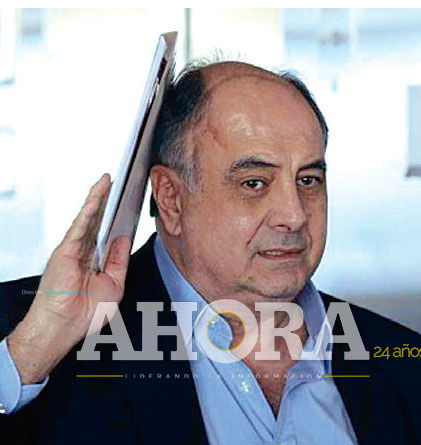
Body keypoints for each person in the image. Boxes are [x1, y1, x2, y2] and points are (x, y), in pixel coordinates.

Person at [1, 60, 421, 445]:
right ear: (171, 199)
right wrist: (35, 348)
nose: (294, 216)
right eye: (254, 183)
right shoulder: (35, 341)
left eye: (308, 180)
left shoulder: (402, 360)